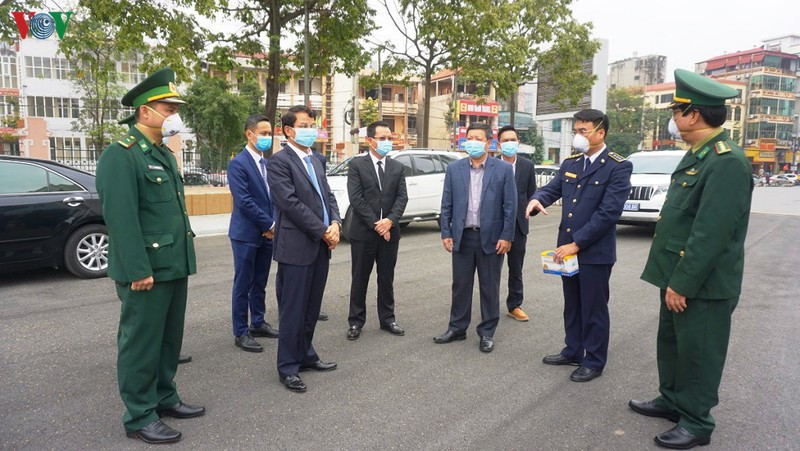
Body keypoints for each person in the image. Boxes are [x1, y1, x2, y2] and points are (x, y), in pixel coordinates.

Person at [631, 69, 753, 450]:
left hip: (703, 284)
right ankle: (672, 401)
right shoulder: (700, 154)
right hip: (678, 273)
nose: (673, 117)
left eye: (676, 110)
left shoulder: (726, 162)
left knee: (698, 353)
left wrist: (682, 283)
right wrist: (672, 279)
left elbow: (710, 234)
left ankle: (697, 422)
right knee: (672, 344)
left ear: (693, 114)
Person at [96, 68, 204, 444]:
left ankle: (163, 397)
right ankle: (140, 415)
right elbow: (121, 219)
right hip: (146, 270)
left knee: (168, 340)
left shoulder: (161, 153)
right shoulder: (121, 155)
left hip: (172, 264)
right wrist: (137, 269)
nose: (174, 115)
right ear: (145, 111)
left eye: (175, 109)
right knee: (141, 343)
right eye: (169, 109)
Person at [525, 109, 632, 382]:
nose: (578, 136)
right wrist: (537, 199)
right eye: (576, 131)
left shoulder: (617, 166)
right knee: (572, 303)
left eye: (583, 131)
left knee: (593, 307)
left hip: (594, 252)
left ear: (600, 132)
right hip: (567, 249)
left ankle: (593, 360)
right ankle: (573, 350)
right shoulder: (571, 163)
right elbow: (552, 189)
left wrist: (577, 244)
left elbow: (608, 213)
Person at [268, 105, 341, 393]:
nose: (311, 129)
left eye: (312, 124)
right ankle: (288, 367)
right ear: (288, 130)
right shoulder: (279, 162)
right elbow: (290, 204)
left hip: (321, 246)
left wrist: (335, 223)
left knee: (311, 307)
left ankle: (306, 355)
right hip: (296, 247)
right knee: (293, 309)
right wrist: (322, 230)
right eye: (304, 125)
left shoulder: (317, 159)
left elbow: (328, 196)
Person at [434, 122, 516, 353]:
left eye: (478, 138)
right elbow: (446, 203)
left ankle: (487, 332)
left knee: (489, 286)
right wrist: (446, 232)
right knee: (460, 285)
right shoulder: (454, 169)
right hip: (463, 236)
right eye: (469, 138)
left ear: (488, 143)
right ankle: (457, 328)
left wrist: (507, 236)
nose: (472, 142)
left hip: (492, 238)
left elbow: (510, 206)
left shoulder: (502, 170)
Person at [346, 121, 409, 340]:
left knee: (386, 278)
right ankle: (356, 321)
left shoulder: (397, 167)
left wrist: (390, 221)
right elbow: (356, 198)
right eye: (382, 138)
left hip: (390, 233)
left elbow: (402, 198)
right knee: (360, 278)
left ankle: (388, 319)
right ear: (370, 141)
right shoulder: (357, 165)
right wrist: (377, 224)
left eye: (389, 138)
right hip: (364, 233)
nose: (387, 142)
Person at [227, 114, 279, 353]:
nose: (268, 137)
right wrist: (270, 224)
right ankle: (241, 331)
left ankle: (258, 322)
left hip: (267, 233)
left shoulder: (267, 164)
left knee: (260, 281)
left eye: (270, 133)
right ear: (250, 134)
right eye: (264, 133)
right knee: (243, 283)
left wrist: (272, 224)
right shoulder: (238, 164)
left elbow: (273, 198)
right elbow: (244, 201)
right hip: (246, 234)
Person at [496, 125, 536, 322]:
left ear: (518, 143)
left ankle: (514, 305)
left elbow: (531, 194)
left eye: (513, 140)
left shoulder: (527, 166)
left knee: (516, 268)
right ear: (499, 144)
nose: (510, 143)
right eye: (505, 141)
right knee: (491, 270)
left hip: (519, 226)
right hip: (495, 226)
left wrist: (531, 209)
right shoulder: (492, 165)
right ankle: (490, 305)